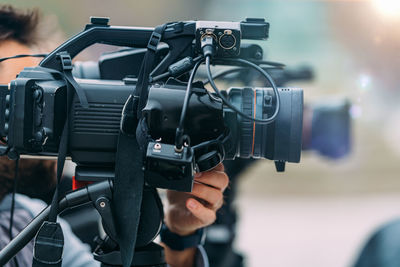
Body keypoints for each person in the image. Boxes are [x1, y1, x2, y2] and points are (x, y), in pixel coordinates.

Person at [0, 5, 229, 267]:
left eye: (39, 94)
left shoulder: (22, 222)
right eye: (13, 101)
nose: (47, 118)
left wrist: (179, 235)